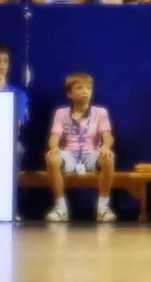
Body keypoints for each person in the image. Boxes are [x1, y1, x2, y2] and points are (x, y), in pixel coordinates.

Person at [44, 72, 116, 222]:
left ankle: (103, 208)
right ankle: (61, 208)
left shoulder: (100, 113)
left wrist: (106, 147)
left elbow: (107, 136)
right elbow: (55, 136)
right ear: (69, 94)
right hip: (70, 155)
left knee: (108, 158)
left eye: (89, 88)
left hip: (91, 155)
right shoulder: (61, 113)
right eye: (79, 88)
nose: (85, 91)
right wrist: (54, 148)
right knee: (52, 159)